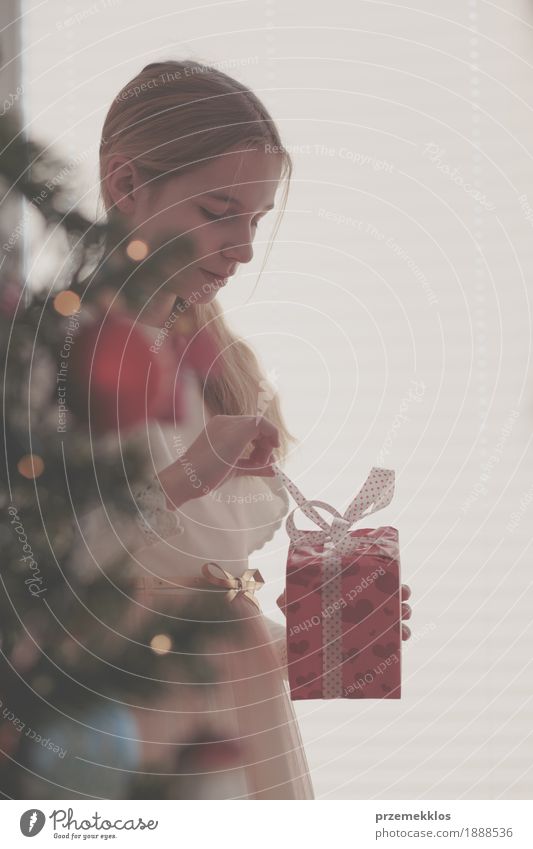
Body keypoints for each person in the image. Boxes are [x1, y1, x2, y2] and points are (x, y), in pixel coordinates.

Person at [81, 59, 412, 800]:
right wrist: (189, 474)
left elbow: (198, 571)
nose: (243, 249)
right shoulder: (52, 354)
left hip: (237, 701)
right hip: (126, 712)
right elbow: (48, 563)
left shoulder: (215, 362)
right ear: (125, 185)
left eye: (256, 220)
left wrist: (321, 617)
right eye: (217, 211)